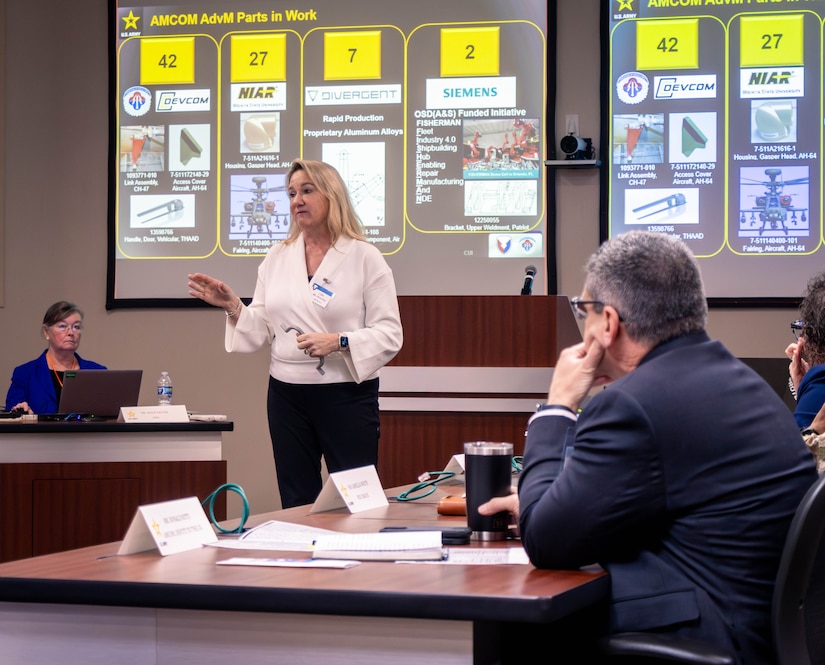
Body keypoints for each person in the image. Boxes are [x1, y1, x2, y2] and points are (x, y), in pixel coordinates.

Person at [481, 231, 816, 664]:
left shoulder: (633, 404)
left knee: (512, 632)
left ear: (609, 323)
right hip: (764, 636)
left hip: (705, 639)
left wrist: (558, 406)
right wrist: (546, 499)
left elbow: (546, 540)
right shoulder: (741, 382)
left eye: (585, 311)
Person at [188, 159, 403, 509]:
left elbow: (390, 334)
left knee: (356, 498)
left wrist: (339, 341)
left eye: (306, 190)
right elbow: (262, 329)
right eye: (291, 193)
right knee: (296, 497)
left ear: (332, 195)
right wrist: (233, 307)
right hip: (286, 396)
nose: (296, 201)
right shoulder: (277, 257)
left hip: (346, 395)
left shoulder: (365, 257)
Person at [5, 301, 107, 414]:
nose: (70, 332)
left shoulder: (98, 372)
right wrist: (20, 410)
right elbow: (12, 411)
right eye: (63, 326)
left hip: (85, 432)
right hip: (41, 432)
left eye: (76, 327)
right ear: (46, 332)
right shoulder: (25, 374)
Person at [786, 271, 825, 429]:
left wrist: (810, 389)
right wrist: (803, 389)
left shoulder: (821, 379)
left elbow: (798, 451)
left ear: (812, 334)